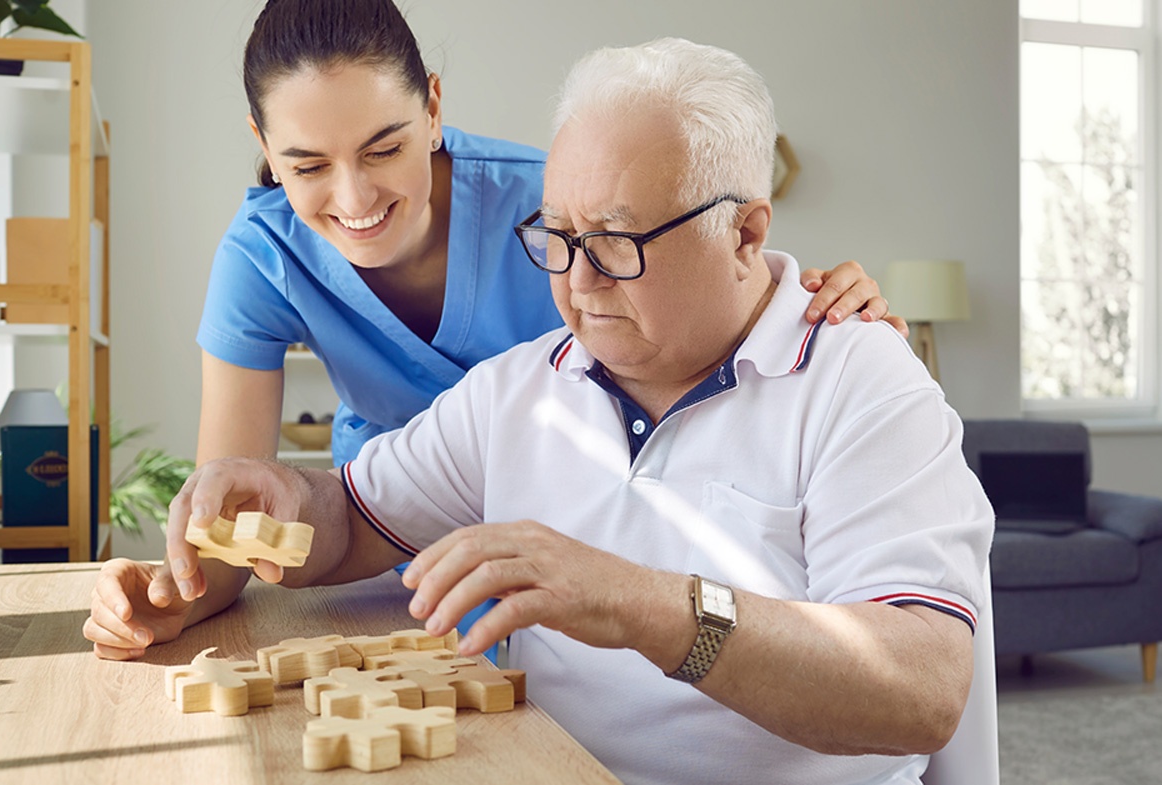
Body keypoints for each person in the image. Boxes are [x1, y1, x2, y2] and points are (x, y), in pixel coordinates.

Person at [86, 35, 993, 785]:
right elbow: (354, 517)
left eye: (617, 243)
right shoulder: (524, 385)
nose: (576, 281)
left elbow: (918, 685)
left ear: (746, 232)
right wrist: (277, 502)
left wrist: (639, 601)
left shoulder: (862, 384)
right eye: (555, 237)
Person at [189, 0, 900, 643]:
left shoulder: (559, 210)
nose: (354, 196)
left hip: (573, 531)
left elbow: (716, 291)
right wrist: (185, 583)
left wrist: (804, 305)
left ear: (433, 108)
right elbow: (284, 511)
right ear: (263, 143)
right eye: (308, 165)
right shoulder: (270, 258)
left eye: (383, 148)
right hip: (399, 511)